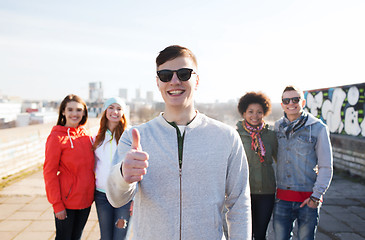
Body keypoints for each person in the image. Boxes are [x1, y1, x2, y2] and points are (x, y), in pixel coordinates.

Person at [106, 45, 251, 239]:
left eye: (184, 73)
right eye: (165, 75)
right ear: (158, 82)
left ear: (197, 80)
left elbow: (239, 204)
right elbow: (116, 199)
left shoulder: (226, 137)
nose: (174, 81)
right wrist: (123, 174)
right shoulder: (135, 137)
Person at [273, 85, 333, 240]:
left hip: (307, 200)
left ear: (303, 102)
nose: (291, 103)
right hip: (282, 199)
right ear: (282, 104)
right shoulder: (278, 127)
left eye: (295, 99)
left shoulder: (318, 128)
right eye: (286, 100)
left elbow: (326, 166)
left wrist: (316, 196)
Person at [43, 94, 95, 240]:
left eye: (78, 110)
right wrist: (57, 204)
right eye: (70, 109)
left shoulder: (86, 136)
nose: (74, 114)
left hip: (86, 200)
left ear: (84, 112)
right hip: (66, 202)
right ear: (63, 112)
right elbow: (49, 173)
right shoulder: (56, 138)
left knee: (77, 237)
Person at [236, 92, 277, 240]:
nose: (255, 116)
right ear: (244, 112)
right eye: (251, 112)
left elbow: (282, 159)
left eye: (259, 112)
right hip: (244, 192)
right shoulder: (236, 135)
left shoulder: (270, 135)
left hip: (267, 192)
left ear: (264, 113)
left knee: (260, 235)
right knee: (245, 234)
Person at [93, 97, 132, 240]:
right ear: (105, 111)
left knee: (120, 237)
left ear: (123, 112)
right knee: (106, 237)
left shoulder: (129, 136)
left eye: (119, 108)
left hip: (124, 196)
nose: (115, 112)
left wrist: (136, 197)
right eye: (111, 107)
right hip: (102, 195)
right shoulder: (97, 138)